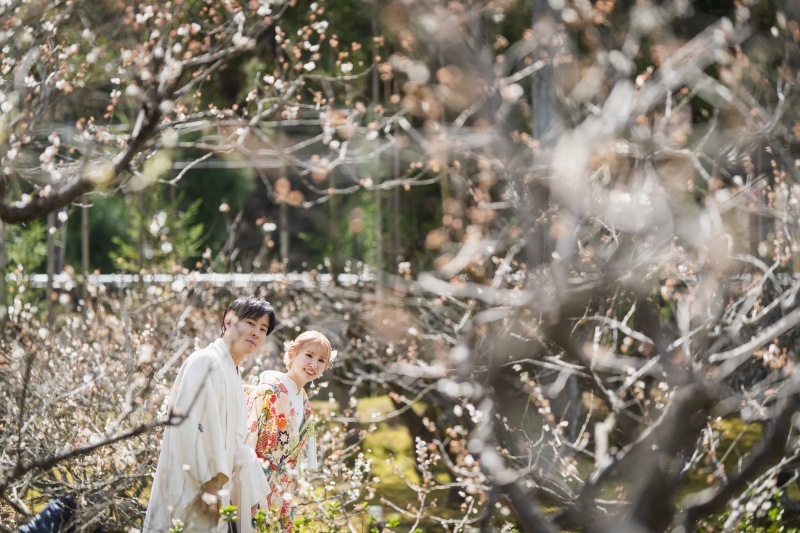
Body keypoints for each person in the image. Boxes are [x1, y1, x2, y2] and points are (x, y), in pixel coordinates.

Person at [144, 297, 276, 533]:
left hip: (218, 489)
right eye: (250, 323)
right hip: (195, 485)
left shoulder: (232, 372)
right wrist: (208, 483)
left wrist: (247, 492)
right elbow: (190, 426)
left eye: (263, 329)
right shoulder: (205, 361)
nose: (256, 332)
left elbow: (236, 442)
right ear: (229, 320)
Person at [244, 330, 334, 532]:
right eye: (309, 355)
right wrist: (248, 495)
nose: (314, 364)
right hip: (256, 487)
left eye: (321, 360)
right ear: (292, 354)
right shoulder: (268, 391)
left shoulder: (305, 404)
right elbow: (246, 443)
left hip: (283, 492)